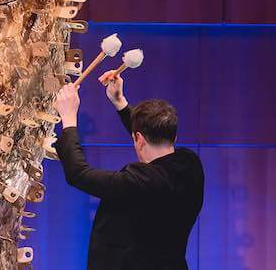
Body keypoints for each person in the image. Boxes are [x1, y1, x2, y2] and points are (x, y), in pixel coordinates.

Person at [53, 70, 204, 270]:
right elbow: (152, 132)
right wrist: (120, 103)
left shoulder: (140, 182)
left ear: (138, 138)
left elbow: (78, 174)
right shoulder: (190, 166)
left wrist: (69, 119)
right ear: (174, 138)